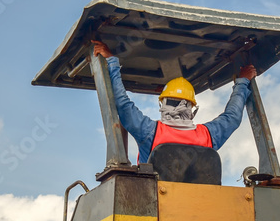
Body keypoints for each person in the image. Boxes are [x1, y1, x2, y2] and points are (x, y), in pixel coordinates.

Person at [92, 40, 257, 163]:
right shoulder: (207, 135)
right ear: (191, 107)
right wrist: (242, 81)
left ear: (163, 104)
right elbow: (233, 117)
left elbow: (121, 103)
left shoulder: (149, 132)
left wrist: (112, 61)